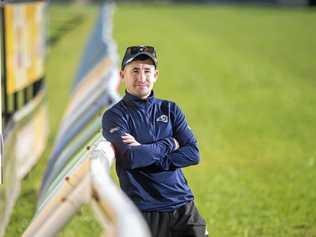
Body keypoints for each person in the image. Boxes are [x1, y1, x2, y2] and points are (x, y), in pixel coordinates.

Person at [102, 45, 208, 237]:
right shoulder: (114, 116)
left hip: (183, 206)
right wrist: (170, 143)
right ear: (122, 74)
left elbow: (193, 154)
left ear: (156, 75)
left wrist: (150, 155)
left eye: (147, 71)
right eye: (135, 70)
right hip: (145, 211)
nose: (141, 78)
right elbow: (133, 157)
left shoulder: (170, 109)